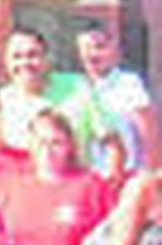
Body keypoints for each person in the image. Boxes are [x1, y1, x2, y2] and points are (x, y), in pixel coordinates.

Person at [0, 109, 109, 245]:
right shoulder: (7, 183)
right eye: (41, 142)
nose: (48, 150)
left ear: (70, 145)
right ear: (30, 143)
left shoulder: (91, 185)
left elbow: (108, 237)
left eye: (56, 143)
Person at [60, 26, 157, 176]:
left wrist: (149, 170)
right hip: (88, 177)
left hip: (125, 174)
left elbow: (147, 130)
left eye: (100, 47)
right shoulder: (77, 86)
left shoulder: (127, 84)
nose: (92, 54)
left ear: (114, 52)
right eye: (85, 48)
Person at [0, 28, 78, 151]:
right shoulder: (0, 102)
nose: (24, 63)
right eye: (16, 56)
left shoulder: (77, 86)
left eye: (32, 55)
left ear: (47, 59)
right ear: (6, 62)